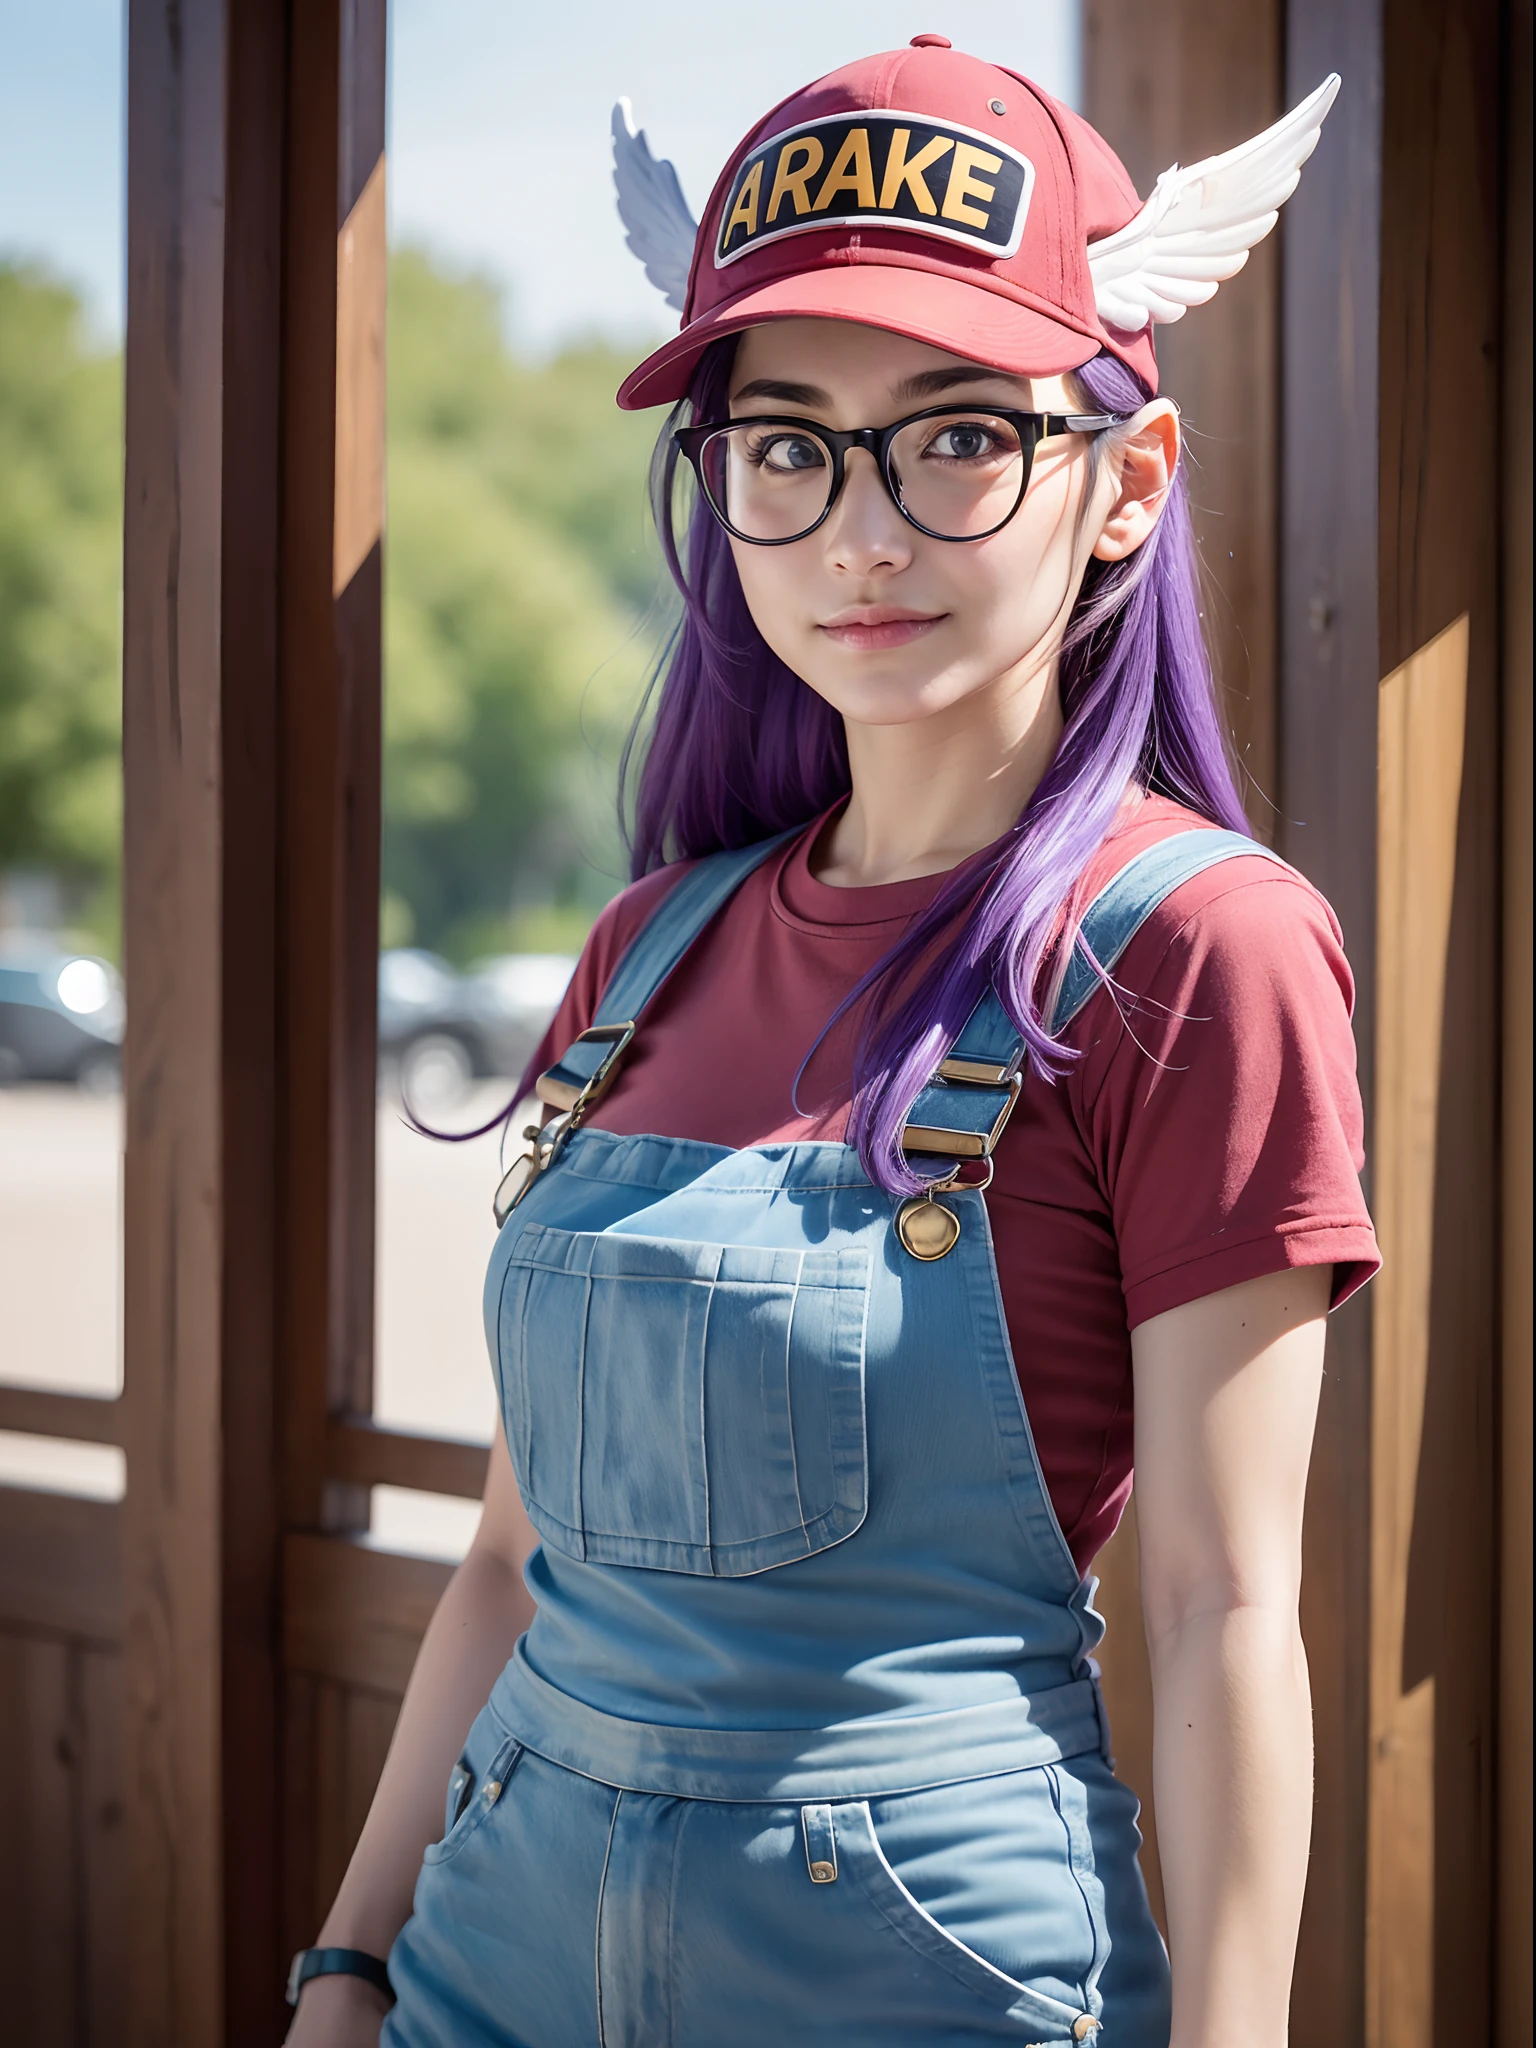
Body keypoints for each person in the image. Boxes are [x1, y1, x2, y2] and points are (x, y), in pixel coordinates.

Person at [285, 38, 1375, 2048]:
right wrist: (351, 1966)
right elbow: (512, 1562)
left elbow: (1229, 1610)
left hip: (923, 1989)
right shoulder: (645, 946)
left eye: (955, 436)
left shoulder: (1200, 950)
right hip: (482, 1976)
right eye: (785, 446)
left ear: (1126, 482)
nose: (858, 532)